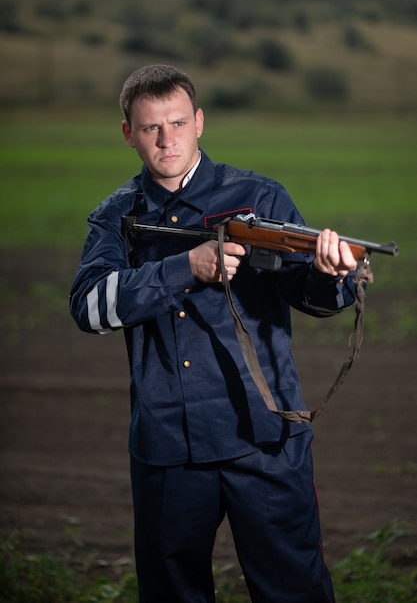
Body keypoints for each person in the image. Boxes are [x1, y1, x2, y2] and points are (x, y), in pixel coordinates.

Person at [70, 64, 359, 603]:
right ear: (128, 133)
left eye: (177, 123)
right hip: (167, 451)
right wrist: (186, 268)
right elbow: (88, 307)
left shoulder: (259, 196)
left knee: (293, 592)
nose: (166, 139)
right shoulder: (115, 217)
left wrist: (328, 274)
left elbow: (310, 296)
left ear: (199, 122)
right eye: (151, 127)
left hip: (264, 440)